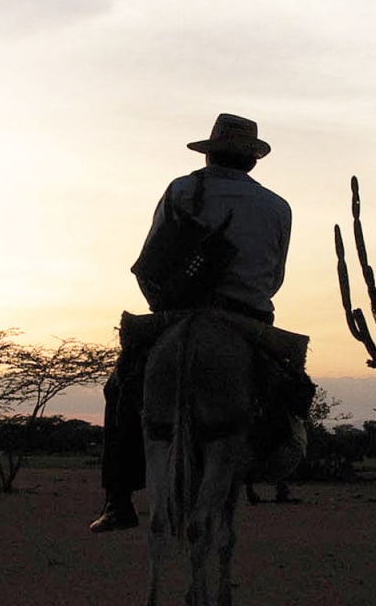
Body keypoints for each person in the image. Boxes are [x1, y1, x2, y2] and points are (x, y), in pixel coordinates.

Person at [90, 112, 293, 533]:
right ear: (253, 161)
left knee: (122, 386)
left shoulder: (182, 190)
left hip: (181, 311)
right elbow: (274, 279)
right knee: (288, 385)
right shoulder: (278, 206)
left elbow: (151, 263)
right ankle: (279, 456)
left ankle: (118, 499)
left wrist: (164, 306)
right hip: (249, 318)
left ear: (209, 155)